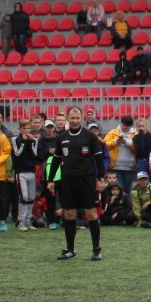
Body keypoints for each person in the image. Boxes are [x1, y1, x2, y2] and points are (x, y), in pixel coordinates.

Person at [47, 105, 106, 260]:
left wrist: (101, 178)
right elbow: (56, 160)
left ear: (81, 118)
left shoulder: (90, 136)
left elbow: (99, 158)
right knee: (69, 214)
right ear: (67, 119)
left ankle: (96, 249)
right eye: (72, 118)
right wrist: (51, 179)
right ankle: (70, 249)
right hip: (68, 180)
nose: (74, 121)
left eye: (77, 118)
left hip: (87, 180)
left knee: (91, 214)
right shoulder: (61, 138)